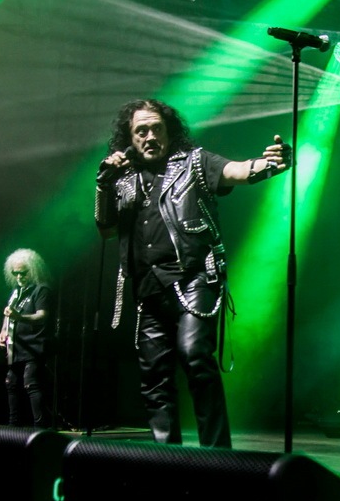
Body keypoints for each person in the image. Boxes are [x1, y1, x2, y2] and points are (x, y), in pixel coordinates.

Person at [94, 98, 292, 447]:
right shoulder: (123, 180)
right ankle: (167, 457)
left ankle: (216, 454)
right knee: (153, 376)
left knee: (194, 354)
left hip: (194, 279)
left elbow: (238, 171)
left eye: (157, 128)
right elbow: (106, 230)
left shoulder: (194, 162)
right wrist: (103, 185)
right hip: (148, 289)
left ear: (169, 132)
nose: (150, 136)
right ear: (130, 138)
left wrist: (272, 164)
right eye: (142, 131)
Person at [0, 249, 56, 428]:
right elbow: (8, 314)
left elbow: (42, 315)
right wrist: (3, 331)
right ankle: (13, 424)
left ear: (34, 270)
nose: (19, 277)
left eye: (23, 273)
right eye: (15, 273)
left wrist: (20, 317)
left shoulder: (41, 289)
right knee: (11, 383)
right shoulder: (17, 292)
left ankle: (40, 426)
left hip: (34, 345)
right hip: (16, 347)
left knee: (31, 384)